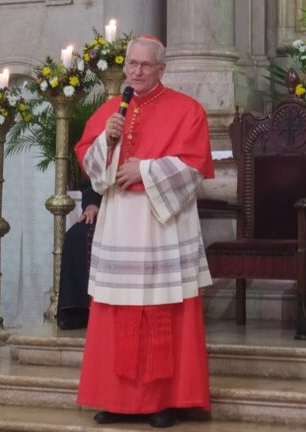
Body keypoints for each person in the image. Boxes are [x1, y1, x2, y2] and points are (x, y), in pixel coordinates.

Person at [74, 35, 214, 428]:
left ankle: (164, 401)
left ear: (161, 69)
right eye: (132, 64)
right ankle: (116, 399)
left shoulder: (188, 110)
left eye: (145, 65)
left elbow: (194, 167)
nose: (136, 71)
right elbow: (88, 162)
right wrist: (108, 139)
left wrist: (146, 169)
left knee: (162, 309)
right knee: (116, 310)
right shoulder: (109, 110)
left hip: (161, 224)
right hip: (119, 222)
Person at [56, 180, 101, 330]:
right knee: (76, 236)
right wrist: (91, 204)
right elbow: (91, 182)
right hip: (106, 206)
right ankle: (77, 311)